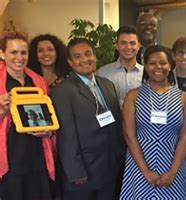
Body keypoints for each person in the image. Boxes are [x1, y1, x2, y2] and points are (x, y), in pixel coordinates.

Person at [51, 38, 125, 200]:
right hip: (84, 171)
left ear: (95, 56)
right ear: (70, 62)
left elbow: (116, 124)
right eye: (77, 57)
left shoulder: (107, 84)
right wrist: (75, 171)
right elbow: (66, 137)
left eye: (88, 54)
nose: (85, 59)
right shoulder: (62, 91)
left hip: (111, 166)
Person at [120, 45, 186, 199]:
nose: (158, 67)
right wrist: (145, 171)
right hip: (139, 164)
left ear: (170, 65)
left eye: (163, 63)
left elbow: (185, 137)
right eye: (152, 63)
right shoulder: (133, 96)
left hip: (172, 163)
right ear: (145, 66)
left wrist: (173, 172)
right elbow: (129, 135)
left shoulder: (184, 98)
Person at [0, 31, 56, 200]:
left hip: (37, 152)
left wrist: (48, 131)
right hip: (10, 155)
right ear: (2, 54)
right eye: (13, 52)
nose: (19, 57)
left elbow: (48, 115)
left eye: (23, 52)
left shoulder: (38, 80)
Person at [96, 26, 144, 107]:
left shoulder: (147, 74)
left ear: (138, 46)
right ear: (117, 45)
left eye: (132, 43)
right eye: (123, 43)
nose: (128, 47)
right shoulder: (102, 73)